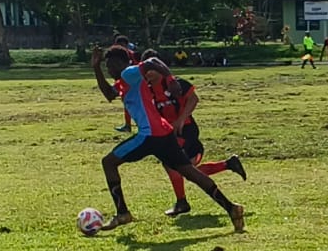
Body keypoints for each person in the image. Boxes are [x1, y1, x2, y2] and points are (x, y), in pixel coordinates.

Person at [92, 45, 245, 232]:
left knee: (108, 162)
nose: (109, 70)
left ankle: (123, 213)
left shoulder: (129, 73)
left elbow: (151, 62)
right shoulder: (123, 82)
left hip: (149, 135)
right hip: (163, 133)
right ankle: (232, 208)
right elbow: (109, 94)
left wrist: (170, 79)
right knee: (190, 172)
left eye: (109, 65)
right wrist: (96, 67)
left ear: (119, 63)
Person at [141, 49, 248, 217]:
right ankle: (228, 164)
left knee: (173, 165)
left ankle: (182, 203)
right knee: (188, 171)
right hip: (169, 134)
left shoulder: (175, 84)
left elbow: (194, 98)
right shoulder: (147, 91)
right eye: (145, 69)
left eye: (152, 68)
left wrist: (181, 119)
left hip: (186, 130)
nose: (148, 73)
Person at [112, 35, 137, 132]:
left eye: (122, 45)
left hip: (131, 82)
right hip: (122, 82)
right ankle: (128, 125)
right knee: (127, 103)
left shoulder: (131, 54)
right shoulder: (115, 55)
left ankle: (130, 125)